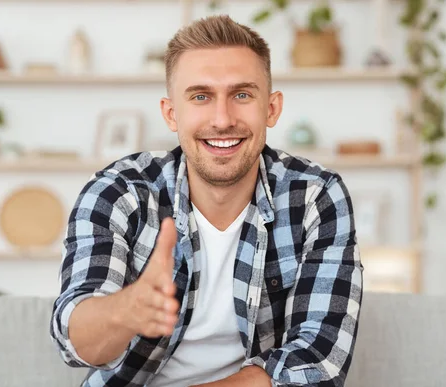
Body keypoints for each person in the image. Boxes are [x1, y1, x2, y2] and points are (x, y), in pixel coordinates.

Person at [50, 14, 364, 387]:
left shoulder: (316, 196)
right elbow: (75, 343)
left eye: (242, 95)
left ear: (272, 108)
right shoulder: (119, 190)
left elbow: (318, 359)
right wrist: (125, 311)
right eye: (200, 96)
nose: (222, 119)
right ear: (171, 113)